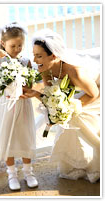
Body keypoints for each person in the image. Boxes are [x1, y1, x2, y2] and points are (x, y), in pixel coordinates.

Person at [22, 28, 100, 183]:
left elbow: (94, 94)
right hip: (81, 92)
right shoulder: (45, 69)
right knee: (68, 120)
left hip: (97, 88)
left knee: (76, 118)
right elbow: (51, 96)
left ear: (54, 56)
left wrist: (69, 108)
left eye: (39, 56)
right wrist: (35, 94)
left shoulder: (75, 72)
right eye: (34, 55)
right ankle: (76, 163)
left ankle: (95, 163)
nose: (35, 60)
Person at [0, 22, 38, 191]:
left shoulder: (25, 61)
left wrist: (24, 91)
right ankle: (12, 173)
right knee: (8, 137)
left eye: (20, 45)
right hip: (4, 105)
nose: (17, 49)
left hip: (22, 104)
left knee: (24, 136)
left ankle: (28, 172)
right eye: (13, 45)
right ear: (3, 43)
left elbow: (30, 84)